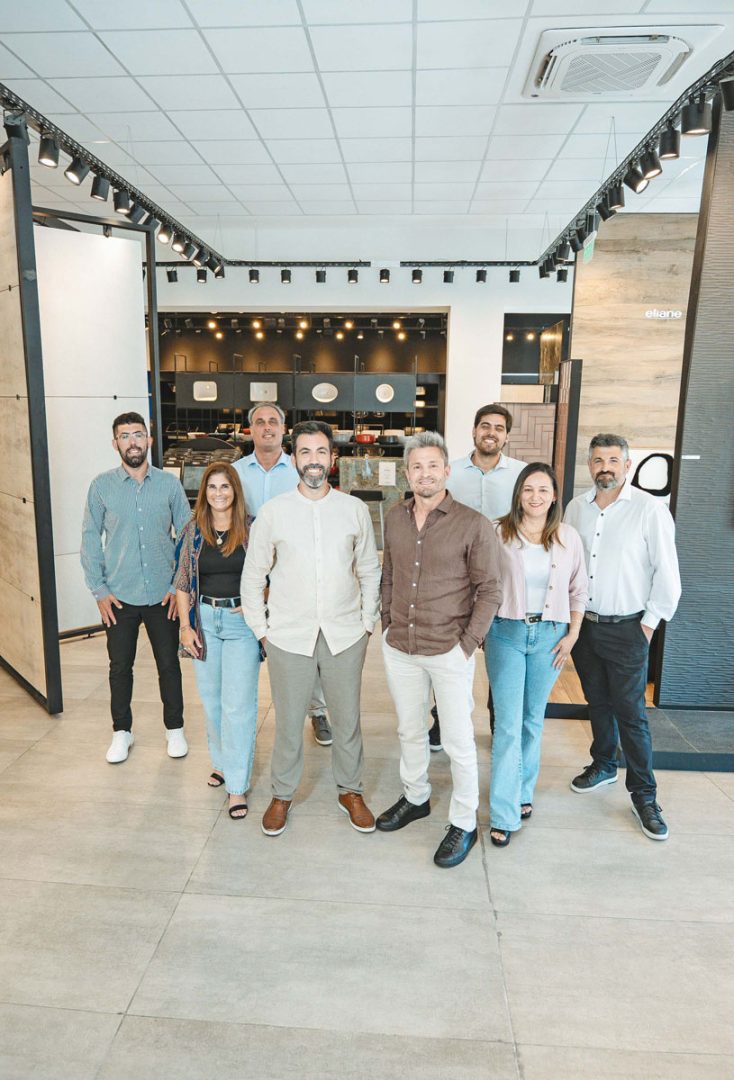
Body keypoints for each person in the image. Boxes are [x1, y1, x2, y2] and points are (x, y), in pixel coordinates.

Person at [241, 420, 381, 837]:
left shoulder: (353, 509)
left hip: (345, 634)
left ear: (332, 458)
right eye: (305, 452)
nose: (314, 460)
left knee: (347, 720)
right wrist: (262, 631)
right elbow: (253, 576)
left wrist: (366, 623)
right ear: (294, 458)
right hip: (288, 636)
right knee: (288, 722)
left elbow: (370, 570)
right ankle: (282, 794)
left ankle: (350, 791)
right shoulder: (274, 512)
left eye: (321, 452)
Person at [377, 432, 502, 868]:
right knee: (410, 730)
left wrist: (466, 646)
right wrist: (387, 622)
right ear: (407, 473)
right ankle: (416, 797)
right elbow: (389, 574)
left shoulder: (473, 524)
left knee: (457, 740)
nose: (424, 474)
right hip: (401, 646)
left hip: (449, 649)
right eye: (417, 466)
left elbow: (490, 590)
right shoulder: (394, 517)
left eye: (433, 465)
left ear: (447, 470)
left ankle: (464, 822)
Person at [564, 434, 681, 841]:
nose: (605, 467)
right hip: (585, 626)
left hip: (629, 628)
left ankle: (645, 796)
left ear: (627, 466)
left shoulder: (649, 510)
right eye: (598, 460)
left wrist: (647, 626)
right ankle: (603, 764)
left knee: (631, 713)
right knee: (597, 701)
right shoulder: (575, 508)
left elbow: (668, 575)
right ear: (590, 465)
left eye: (613, 460)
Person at [485, 463, 587, 847]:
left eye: (543, 489)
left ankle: (523, 791)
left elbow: (578, 589)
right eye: (528, 489)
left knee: (532, 721)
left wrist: (573, 634)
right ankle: (504, 812)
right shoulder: (497, 532)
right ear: (518, 494)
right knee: (508, 725)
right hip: (506, 634)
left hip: (550, 636)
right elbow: (482, 583)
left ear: (554, 496)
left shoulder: (568, 537)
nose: (535, 496)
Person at [81, 412, 191, 764]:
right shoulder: (101, 486)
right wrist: (99, 590)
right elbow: (89, 539)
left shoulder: (169, 485)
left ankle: (175, 729)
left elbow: (187, 536)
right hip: (119, 596)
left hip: (163, 595)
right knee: (119, 668)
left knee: (168, 665)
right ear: (115, 443)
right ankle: (121, 732)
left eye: (138, 434)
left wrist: (177, 586)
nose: (133, 441)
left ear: (149, 440)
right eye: (125, 436)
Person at [234, 401, 332, 748]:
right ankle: (243, 719)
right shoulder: (235, 472)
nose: (267, 427)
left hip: (293, 573)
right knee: (248, 650)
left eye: (273, 421)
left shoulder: (298, 469)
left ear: (283, 428)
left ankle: (317, 710)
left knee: (308, 643)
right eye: (259, 421)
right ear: (250, 429)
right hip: (249, 569)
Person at [428, 403, 524, 747]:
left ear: (507, 436)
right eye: (485, 426)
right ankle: (442, 721)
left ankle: (499, 722)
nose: (491, 433)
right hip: (456, 580)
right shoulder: (451, 472)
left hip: (504, 577)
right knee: (450, 652)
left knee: (501, 653)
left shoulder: (521, 475)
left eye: (499, 428)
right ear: (473, 430)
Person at [174, 463, 260, 820]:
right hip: (204, 622)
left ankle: (237, 786)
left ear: (235, 491)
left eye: (225, 486)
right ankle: (222, 763)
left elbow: (273, 573)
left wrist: (258, 602)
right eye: (212, 487)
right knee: (211, 702)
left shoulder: (253, 528)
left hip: (241, 625)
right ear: (204, 492)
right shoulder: (194, 530)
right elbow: (182, 581)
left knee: (237, 705)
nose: (219, 493)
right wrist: (186, 626)